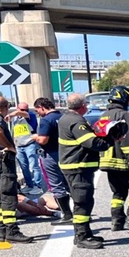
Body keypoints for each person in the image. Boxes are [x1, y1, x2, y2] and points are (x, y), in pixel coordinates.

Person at [59, 93, 122, 249]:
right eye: (86, 104)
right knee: (83, 201)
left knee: (85, 200)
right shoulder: (76, 121)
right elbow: (92, 142)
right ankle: (81, 236)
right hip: (78, 167)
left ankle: (85, 232)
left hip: (75, 166)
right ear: (82, 106)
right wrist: (111, 139)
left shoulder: (66, 118)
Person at [0, 97, 34, 243]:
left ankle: (2, 229)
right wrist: (8, 147)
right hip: (3, 159)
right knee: (9, 194)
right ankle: (12, 230)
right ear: (5, 107)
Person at [99, 86, 129, 232]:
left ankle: (117, 221)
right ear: (123, 99)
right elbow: (127, 141)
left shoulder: (104, 115)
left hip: (107, 162)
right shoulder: (125, 115)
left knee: (118, 192)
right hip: (123, 161)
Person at [34, 97, 72, 226]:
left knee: (56, 185)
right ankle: (80, 212)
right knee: (69, 183)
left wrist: (35, 137)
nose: (37, 113)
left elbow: (43, 140)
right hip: (65, 153)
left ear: (42, 107)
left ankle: (67, 215)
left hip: (50, 154)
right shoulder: (63, 117)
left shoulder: (46, 120)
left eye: (37, 110)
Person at [8, 101, 45, 195]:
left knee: (34, 166)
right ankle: (30, 185)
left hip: (30, 144)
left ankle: (38, 186)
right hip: (19, 146)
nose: (24, 111)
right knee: (24, 167)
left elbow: (25, 114)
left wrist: (15, 113)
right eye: (22, 109)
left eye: (26, 109)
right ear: (17, 108)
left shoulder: (30, 115)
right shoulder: (14, 119)